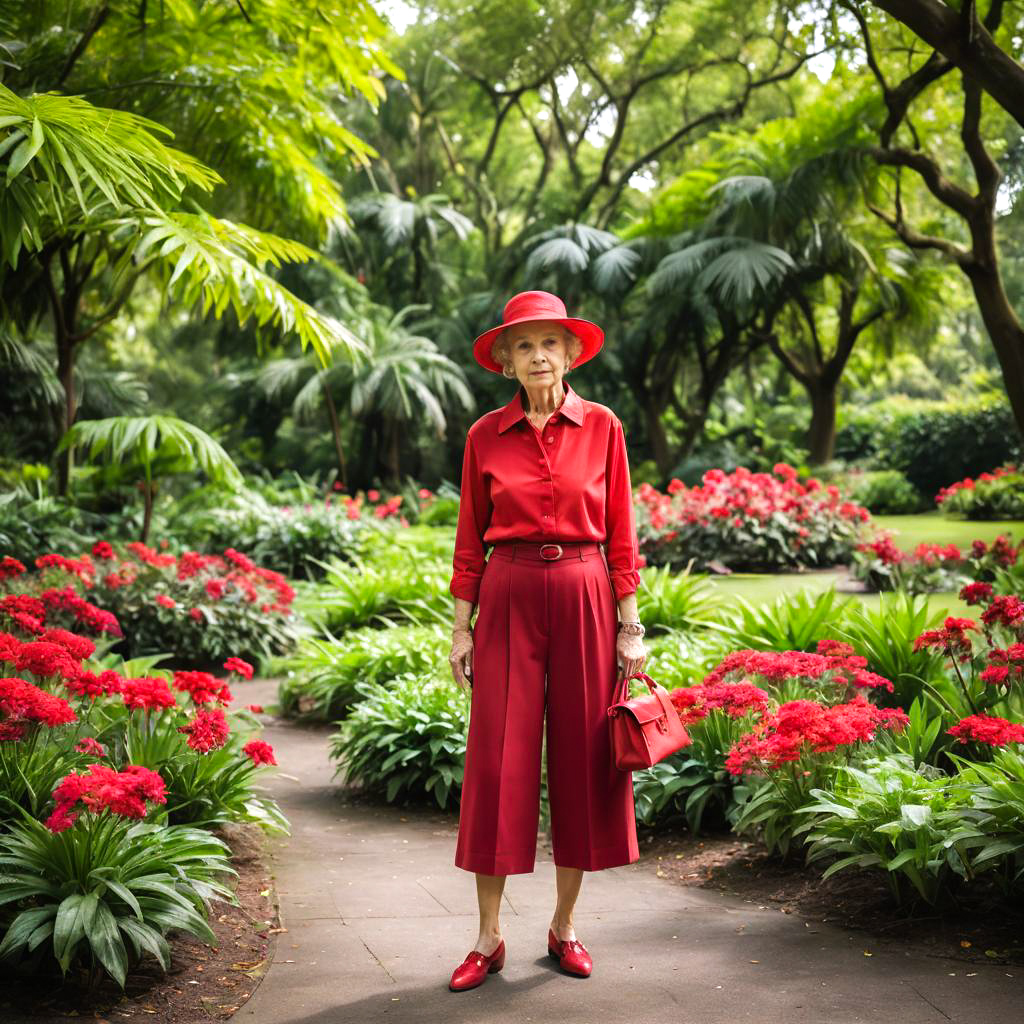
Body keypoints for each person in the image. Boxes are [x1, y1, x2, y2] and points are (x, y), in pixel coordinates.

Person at [446, 290, 647, 992]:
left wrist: (630, 626)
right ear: (505, 361)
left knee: (585, 761)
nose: (538, 356)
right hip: (507, 595)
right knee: (498, 760)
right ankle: (488, 937)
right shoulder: (483, 437)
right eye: (523, 346)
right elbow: (469, 537)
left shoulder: (604, 427)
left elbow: (622, 533)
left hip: (589, 592)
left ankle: (563, 928)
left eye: (549, 344)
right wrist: (459, 626)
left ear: (570, 353)